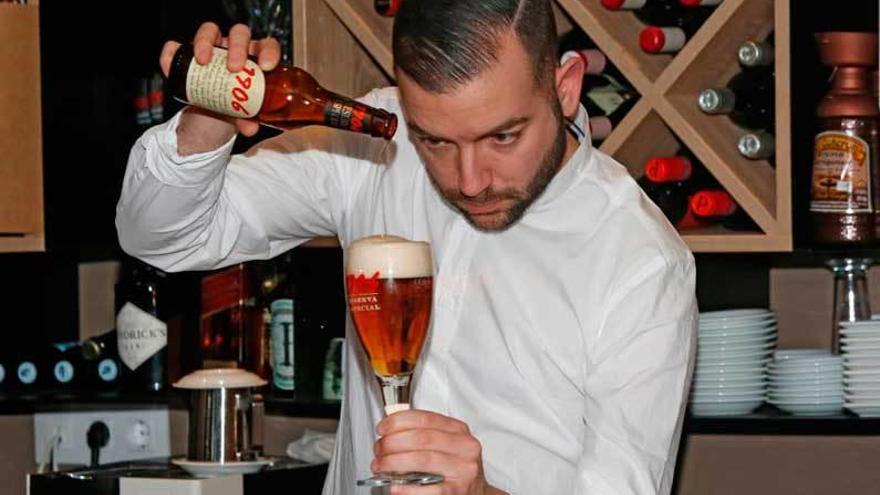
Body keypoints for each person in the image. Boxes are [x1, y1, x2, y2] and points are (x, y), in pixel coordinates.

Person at [116, 0, 697, 493]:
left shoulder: (639, 259)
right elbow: (165, 237)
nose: (470, 180)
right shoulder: (375, 141)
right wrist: (207, 123)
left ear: (566, 88)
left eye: (503, 136)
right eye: (435, 140)